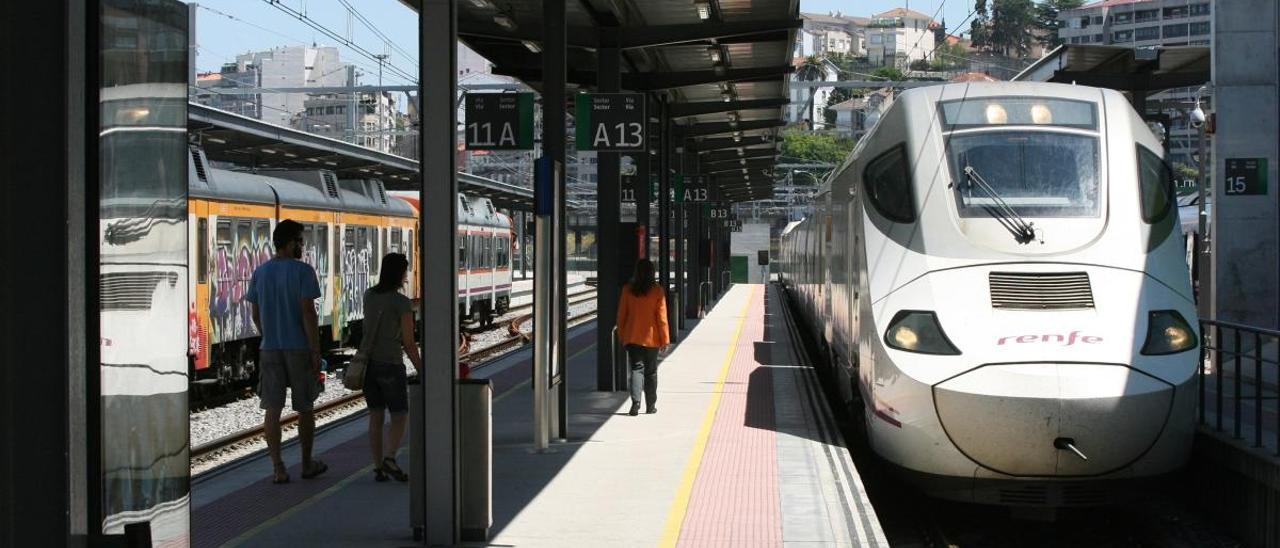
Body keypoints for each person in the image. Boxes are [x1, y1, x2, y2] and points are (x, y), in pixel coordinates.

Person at [247, 219, 327, 484]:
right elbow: (308, 312)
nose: (302, 246)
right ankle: (306, 463)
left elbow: (256, 314)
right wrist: (315, 350)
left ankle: (278, 468)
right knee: (305, 407)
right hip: (299, 348)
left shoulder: (260, 272)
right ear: (291, 242)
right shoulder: (303, 272)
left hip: (269, 348)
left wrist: (268, 334)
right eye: (300, 241)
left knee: (272, 409)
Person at [362, 253, 422, 482]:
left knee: (375, 415)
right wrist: (420, 368)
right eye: (405, 271)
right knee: (399, 414)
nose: (407, 275)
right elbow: (408, 342)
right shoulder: (401, 302)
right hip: (391, 364)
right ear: (399, 274)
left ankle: (378, 467)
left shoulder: (369, 295)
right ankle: (389, 458)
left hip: (369, 365)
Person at [616, 258, 671, 416]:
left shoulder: (627, 290)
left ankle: (636, 402)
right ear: (652, 273)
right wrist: (665, 339)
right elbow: (662, 318)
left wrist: (622, 335)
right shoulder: (657, 291)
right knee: (651, 372)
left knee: (636, 369)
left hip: (632, 337)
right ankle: (651, 405)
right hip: (652, 339)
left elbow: (621, 315)